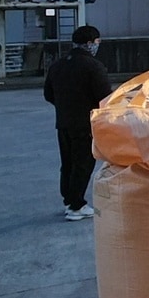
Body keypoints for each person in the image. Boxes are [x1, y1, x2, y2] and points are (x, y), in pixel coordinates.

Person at [43, 25, 111, 221]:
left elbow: (48, 94)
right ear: (89, 44)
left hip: (63, 122)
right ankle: (77, 205)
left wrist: (64, 105)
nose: (98, 46)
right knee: (83, 163)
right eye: (97, 42)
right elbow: (104, 97)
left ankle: (68, 200)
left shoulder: (58, 65)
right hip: (85, 123)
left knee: (68, 163)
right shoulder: (93, 66)